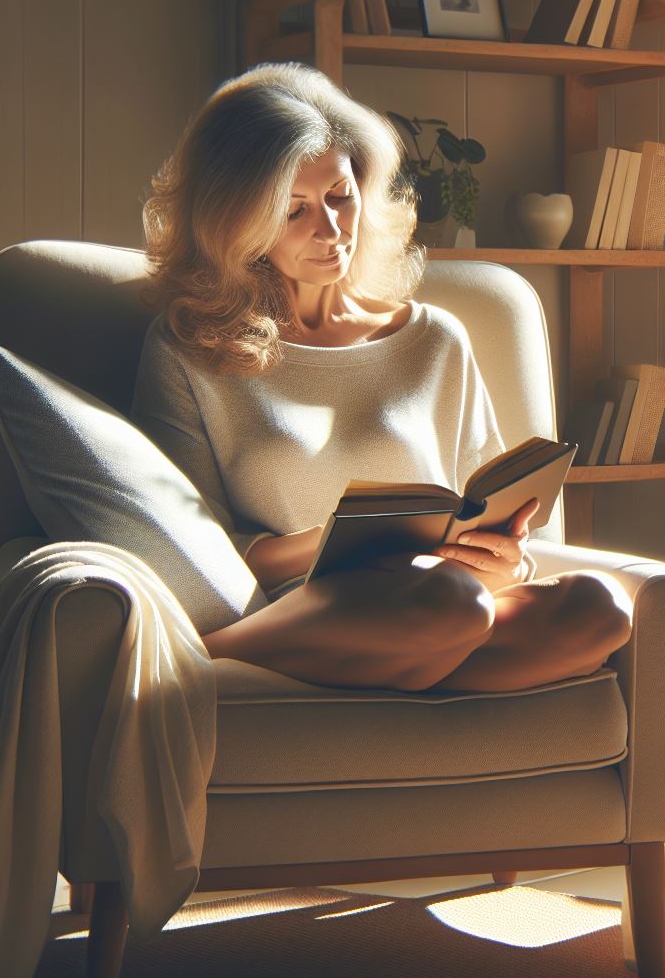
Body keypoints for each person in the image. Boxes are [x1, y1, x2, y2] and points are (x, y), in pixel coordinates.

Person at [133, 62, 630, 692]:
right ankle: (212, 655)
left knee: (598, 607)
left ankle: (403, 675)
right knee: (449, 602)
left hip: (443, 601)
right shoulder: (190, 350)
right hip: (313, 608)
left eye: (340, 196)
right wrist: (326, 544)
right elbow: (187, 547)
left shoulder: (435, 339)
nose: (331, 228)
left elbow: (479, 508)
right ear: (237, 222)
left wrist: (505, 558)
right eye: (293, 212)